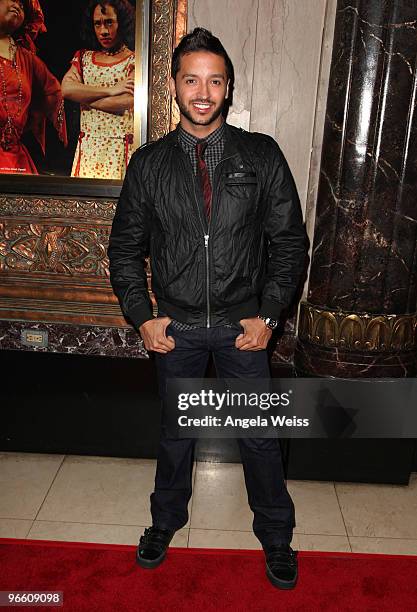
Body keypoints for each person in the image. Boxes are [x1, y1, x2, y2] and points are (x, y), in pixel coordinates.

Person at [108, 28, 307, 590]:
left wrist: (269, 315)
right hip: (178, 328)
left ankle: (276, 537)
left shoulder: (260, 155)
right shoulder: (149, 164)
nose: (203, 91)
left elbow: (290, 242)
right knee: (176, 435)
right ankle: (164, 523)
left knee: (260, 437)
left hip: (244, 327)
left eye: (214, 80)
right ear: (173, 85)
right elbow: (124, 248)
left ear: (228, 87)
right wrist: (142, 315)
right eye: (191, 79)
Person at [61, 0, 135, 180]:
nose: (103, 31)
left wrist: (82, 96)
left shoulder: (133, 61)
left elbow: (125, 101)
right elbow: (66, 89)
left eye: (109, 22)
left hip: (118, 150)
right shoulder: (84, 58)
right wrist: (111, 90)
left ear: (122, 22)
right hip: (89, 149)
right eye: (98, 24)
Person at [0, 0, 67, 174]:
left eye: (22, 5)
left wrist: (27, 122)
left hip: (14, 158)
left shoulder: (26, 58)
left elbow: (53, 91)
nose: (17, 6)